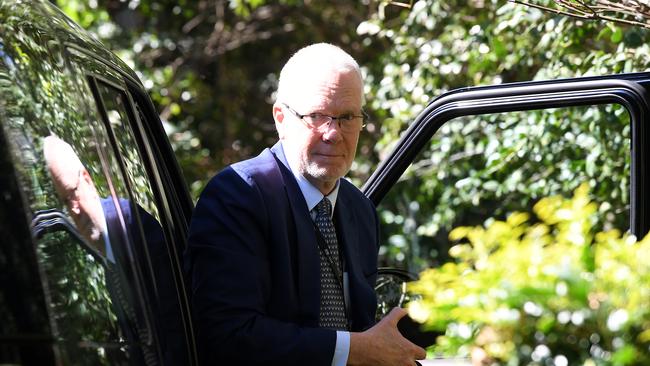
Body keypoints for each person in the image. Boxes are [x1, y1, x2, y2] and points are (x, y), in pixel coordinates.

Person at [185, 43, 426, 365]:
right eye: (317, 116)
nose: (333, 133)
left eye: (347, 117)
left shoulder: (359, 210)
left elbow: (362, 327)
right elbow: (228, 334)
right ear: (281, 119)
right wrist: (352, 350)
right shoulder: (239, 195)